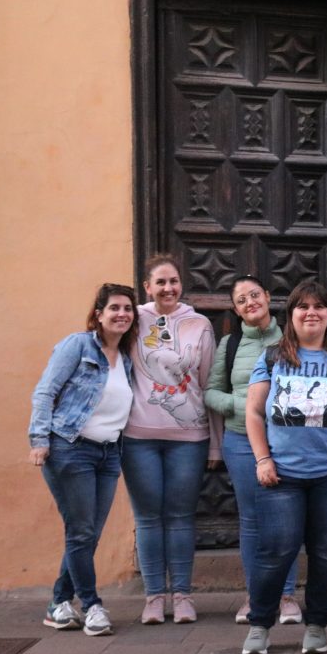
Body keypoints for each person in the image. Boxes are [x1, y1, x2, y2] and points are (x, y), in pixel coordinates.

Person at [240, 280, 327, 654]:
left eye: (319, 306)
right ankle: (260, 625)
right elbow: (253, 412)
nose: (311, 312)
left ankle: (316, 625)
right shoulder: (271, 358)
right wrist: (262, 459)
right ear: (292, 315)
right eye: (303, 307)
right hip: (283, 475)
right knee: (277, 551)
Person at [29, 283, 139, 636]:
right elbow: (46, 391)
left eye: (128, 309)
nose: (122, 314)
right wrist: (39, 439)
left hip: (108, 453)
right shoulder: (77, 345)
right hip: (69, 448)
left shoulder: (125, 358)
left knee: (88, 534)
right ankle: (92, 606)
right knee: (81, 531)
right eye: (115, 308)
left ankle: (59, 602)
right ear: (99, 313)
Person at [123, 254, 219, 625]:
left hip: (189, 438)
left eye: (173, 281)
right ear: (147, 287)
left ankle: (182, 595)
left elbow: (208, 382)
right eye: (160, 282)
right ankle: (152, 597)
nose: (168, 288)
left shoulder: (200, 324)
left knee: (180, 518)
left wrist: (213, 441)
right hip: (138, 437)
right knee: (148, 518)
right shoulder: (134, 319)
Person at [204, 275, 302, 625]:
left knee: (286, 517)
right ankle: (256, 595)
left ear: (268, 298)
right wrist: (241, 405)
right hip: (241, 440)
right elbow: (210, 392)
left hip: (285, 439)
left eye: (254, 295)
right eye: (241, 300)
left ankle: (288, 595)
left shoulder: (290, 338)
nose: (250, 303)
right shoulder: (230, 345)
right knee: (251, 520)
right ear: (236, 308)